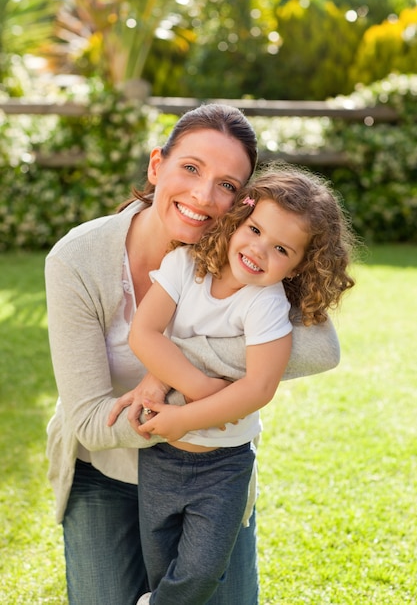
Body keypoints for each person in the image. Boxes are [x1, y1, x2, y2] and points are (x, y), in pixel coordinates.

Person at [45, 103, 341, 605]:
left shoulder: (254, 256)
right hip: (109, 466)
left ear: (246, 200)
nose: (204, 196)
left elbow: (320, 348)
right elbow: (94, 423)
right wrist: (190, 402)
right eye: (190, 169)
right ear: (157, 166)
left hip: (212, 466)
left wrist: (167, 375)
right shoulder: (79, 259)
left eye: (227, 185)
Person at [117, 167, 355, 605]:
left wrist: (184, 416)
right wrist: (205, 390)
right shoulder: (185, 266)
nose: (259, 250)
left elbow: (260, 387)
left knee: (201, 571)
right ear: (235, 220)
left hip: (223, 466)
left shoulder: (266, 302)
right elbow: (143, 334)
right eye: (255, 230)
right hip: (161, 458)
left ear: (300, 264)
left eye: (281, 249)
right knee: (161, 563)